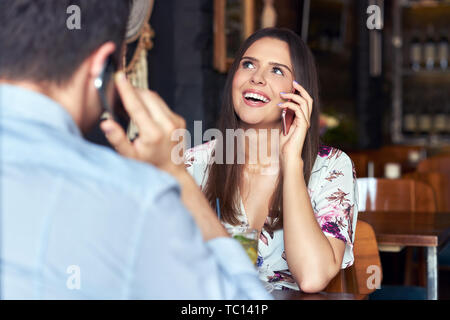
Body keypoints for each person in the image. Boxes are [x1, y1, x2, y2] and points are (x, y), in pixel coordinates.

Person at [0, 0, 272, 299]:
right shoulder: (134, 196)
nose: (257, 78)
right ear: (102, 65)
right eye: (248, 65)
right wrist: (174, 176)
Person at [185, 28, 359, 292]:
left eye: (277, 70)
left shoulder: (332, 168)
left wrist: (291, 163)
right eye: (248, 64)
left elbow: (312, 278)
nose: (257, 78)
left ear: (299, 93)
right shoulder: (191, 165)